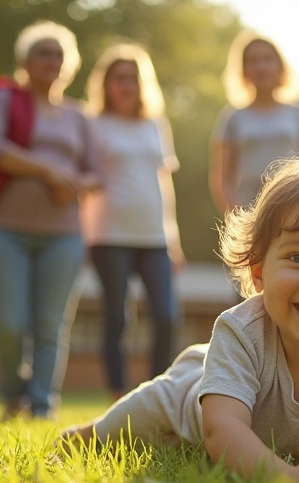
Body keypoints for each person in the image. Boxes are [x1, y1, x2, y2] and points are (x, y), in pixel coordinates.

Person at [62, 152, 299, 483]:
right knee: (113, 433)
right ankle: (81, 433)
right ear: (259, 272)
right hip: (184, 395)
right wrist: (285, 478)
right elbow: (222, 428)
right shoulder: (242, 331)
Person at [0, 21, 101, 420]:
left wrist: (76, 183)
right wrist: (48, 171)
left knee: (51, 324)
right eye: (43, 53)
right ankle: (13, 396)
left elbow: (96, 172)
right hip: (4, 228)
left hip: (63, 234)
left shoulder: (79, 114)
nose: (51, 60)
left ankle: (43, 405)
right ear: (25, 62)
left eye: (58, 54)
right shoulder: (6, 100)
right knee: (10, 323)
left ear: (69, 65)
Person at [81, 44, 183, 400]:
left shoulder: (156, 124)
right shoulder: (93, 123)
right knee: (118, 317)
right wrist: (81, 236)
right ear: (106, 84)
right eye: (119, 78)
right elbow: (85, 181)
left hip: (154, 236)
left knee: (167, 316)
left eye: (133, 78)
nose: (126, 85)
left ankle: (156, 394)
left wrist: (173, 239)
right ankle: (118, 394)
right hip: (108, 234)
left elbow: (163, 181)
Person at [209, 31, 299, 214]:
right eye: (253, 61)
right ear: (244, 70)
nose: (261, 67)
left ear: (280, 66)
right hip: (250, 214)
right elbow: (221, 179)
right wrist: (238, 219)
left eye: (268, 59)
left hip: (297, 211)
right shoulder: (232, 117)